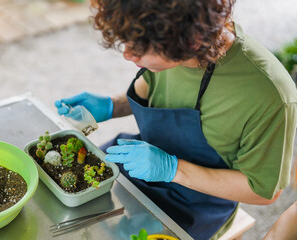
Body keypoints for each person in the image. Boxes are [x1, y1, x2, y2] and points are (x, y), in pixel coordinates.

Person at [55, 0, 297, 239]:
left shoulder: (270, 95)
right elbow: (148, 90)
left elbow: (264, 192)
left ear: (190, 40)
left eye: (139, 46)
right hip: (136, 165)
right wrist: (110, 106)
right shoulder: (170, 46)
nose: (127, 54)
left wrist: (173, 169)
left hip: (194, 205)